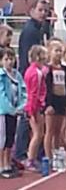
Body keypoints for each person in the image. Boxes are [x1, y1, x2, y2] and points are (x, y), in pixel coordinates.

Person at [14, 0, 46, 165]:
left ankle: (32, 151)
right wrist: (33, 75)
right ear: (32, 10)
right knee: (28, 115)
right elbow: (28, 56)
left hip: (32, 75)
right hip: (30, 77)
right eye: (40, 10)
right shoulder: (30, 31)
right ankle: (20, 152)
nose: (43, 13)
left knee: (33, 117)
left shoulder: (38, 28)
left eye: (45, 11)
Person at [43, 40, 66, 167]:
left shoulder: (64, 68)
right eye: (56, 51)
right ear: (50, 52)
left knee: (58, 131)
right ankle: (48, 157)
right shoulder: (47, 69)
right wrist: (48, 104)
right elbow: (46, 88)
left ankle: (57, 154)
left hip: (61, 100)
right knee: (49, 130)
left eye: (60, 51)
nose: (59, 53)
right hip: (52, 101)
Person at [0, 47, 26, 178]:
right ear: (1, 61)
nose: (9, 62)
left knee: (11, 139)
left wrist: (21, 106)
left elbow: (23, 91)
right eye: (6, 59)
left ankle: (8, 163)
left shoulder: (17, 75)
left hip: (15, 112)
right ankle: (1, 165)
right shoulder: (1, 76)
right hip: (3, 113)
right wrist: (10, 109)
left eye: (11, 59)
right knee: (3, 139)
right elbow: (2, 96)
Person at [23, 45, 47, 171]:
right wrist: (32, 111)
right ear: (38, 57)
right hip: (35, 107)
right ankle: (30, 159)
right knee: (38, 134)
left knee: (38, 133)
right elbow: (33, 93)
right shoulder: (36, 73)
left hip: (34, 106)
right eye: (43, 57)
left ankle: (32, 158)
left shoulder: (30, 70)